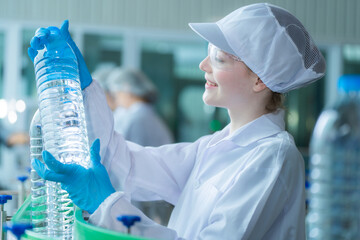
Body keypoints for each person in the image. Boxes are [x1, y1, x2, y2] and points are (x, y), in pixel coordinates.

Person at [29, 3, 325, 239]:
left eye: (220, 58)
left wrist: (105, 205)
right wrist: (85, 89)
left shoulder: (273, 157)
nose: (203, 65)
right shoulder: (215, 146)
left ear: (260, 79)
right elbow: (129, 164)